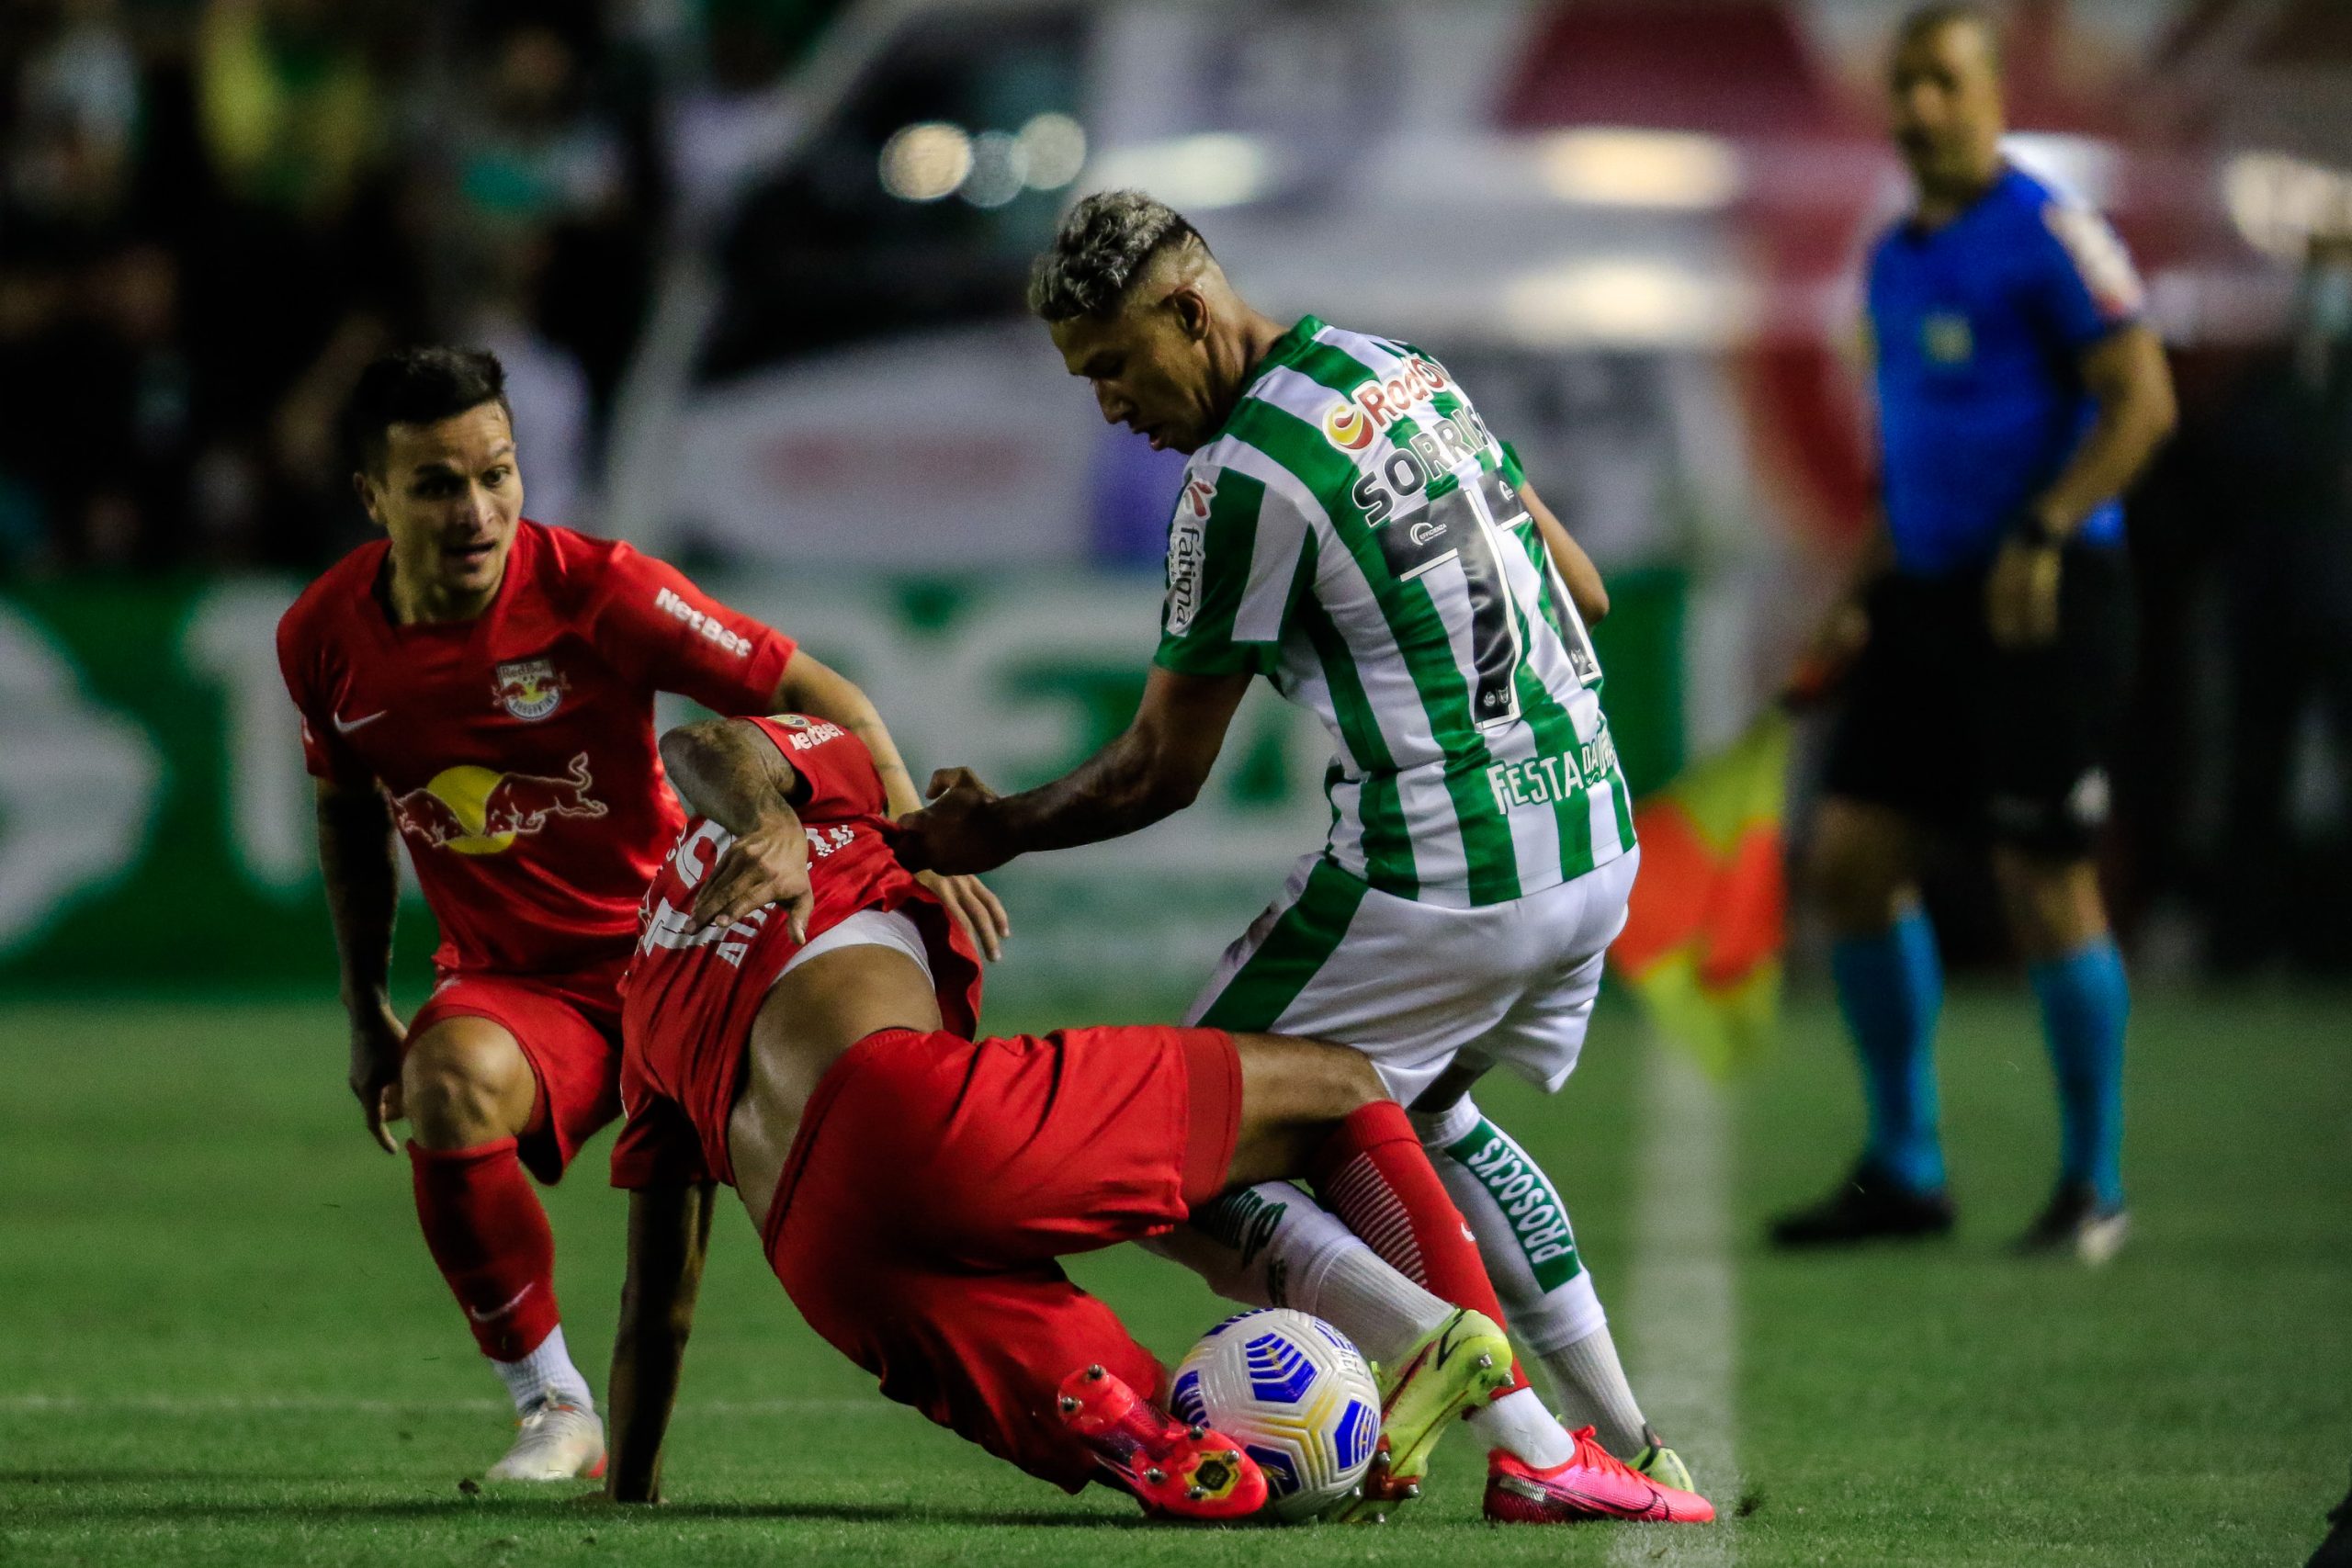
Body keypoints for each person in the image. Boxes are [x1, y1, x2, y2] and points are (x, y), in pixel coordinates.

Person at [895, 187, 1702, 1522]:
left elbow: (1162, 769)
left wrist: (1002, 828)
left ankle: (1523, 1430)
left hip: (1447, 876)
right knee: (1427, 1119)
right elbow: (1587, 591)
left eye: (1113, 365)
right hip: (1596, 840)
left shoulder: (1241, 481)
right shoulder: (1400, 368)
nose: (1110, 405)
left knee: (1163, 1153)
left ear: (1190, 310)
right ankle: (1636, 1436)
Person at [598, 709, 1711, 1523]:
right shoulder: (809, 794)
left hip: (828, 1264)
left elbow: (658, 1297)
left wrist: (632, 1493)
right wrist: (778, 818)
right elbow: (703, 743)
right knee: (1335, 1083)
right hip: (904, 1109)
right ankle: (1524, 1440)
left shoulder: (643, 996)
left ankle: (1146, 1432)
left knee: (1148, 1422)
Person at [275, 345, 1004, 1481]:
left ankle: (1027, 1349)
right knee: (446, 1085)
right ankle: (554, 1407)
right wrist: (366, 1001)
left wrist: (914, 838)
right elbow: (349, 821)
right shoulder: (321, 637)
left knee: (870, 1174)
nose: (478, 510)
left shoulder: (595, 587)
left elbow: (822, 696)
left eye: (498, 474)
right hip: (527, 993)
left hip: (690, 957)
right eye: (436, 485)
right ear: (372, 498)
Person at [1767, 4, 2176, 1258]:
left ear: (1994, 96)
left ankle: (2092, 1188)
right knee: (1847, 860)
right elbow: (1918, 458)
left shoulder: (2052, 233)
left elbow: (2141, 401)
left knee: (2042, 876)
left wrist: (2047, 529)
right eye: (1906, 86)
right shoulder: (1893, 254)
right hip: (1927, 599)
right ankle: (1907, 1165)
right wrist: (1854, 588)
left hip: (2046, 600)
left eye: (1944, 83)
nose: (1921, 108)